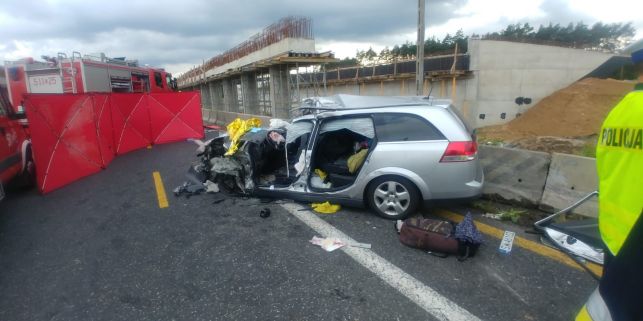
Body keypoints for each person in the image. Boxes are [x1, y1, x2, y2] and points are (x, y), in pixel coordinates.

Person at [576, 45, 643, 320]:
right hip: (635, 242)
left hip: (614, 234)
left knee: (612, 306)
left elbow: (604, 165)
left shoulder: (619, 111)